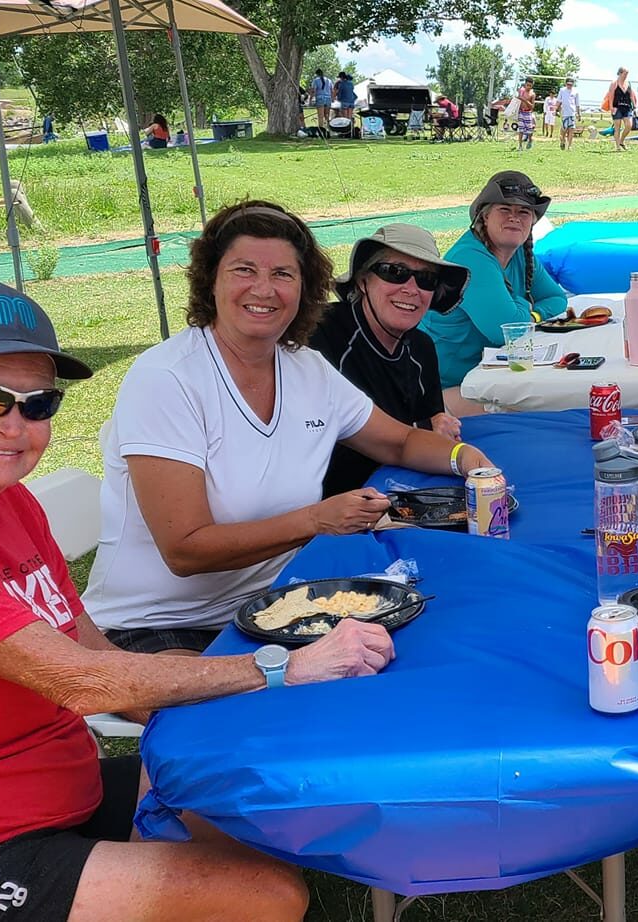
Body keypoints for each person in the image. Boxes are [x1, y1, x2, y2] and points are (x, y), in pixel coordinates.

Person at [0, 280, 392, 922]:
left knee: (257, 808)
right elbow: (85, 682)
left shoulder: (7, 499)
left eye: (37, 403)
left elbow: (94, 652)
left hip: (47, 790)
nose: (11, 425)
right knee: (266, 898)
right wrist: (280, 668)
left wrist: (232, 691)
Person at [82, 201, 497, 655]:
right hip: (163, 625)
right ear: (210, 281)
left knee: (443, 636)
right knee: (242, 719)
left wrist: (464, 459)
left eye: (283, 274)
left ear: (304, 288)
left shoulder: (306, 368)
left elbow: (397, 441)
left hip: (284, 601)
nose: (264, 288)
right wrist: (316, 520)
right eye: (244, 269)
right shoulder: (167, 378)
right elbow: (184, 550)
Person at [310, 224, 469, 497]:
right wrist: (425, 430)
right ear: (363, 281)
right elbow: (329, 440)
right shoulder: (321, 333)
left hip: (397, 492)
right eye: (394, 272)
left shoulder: (421, 348)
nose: (410, 288)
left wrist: (438, 423)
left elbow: (431, 423)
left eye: (426, 279)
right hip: (330, 505)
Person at [419, 171, 565, 413]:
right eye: (504, 210)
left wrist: (531, 316)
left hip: (487, 377)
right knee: (536, 410)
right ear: (484, 216)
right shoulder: (471, 258)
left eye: (524, 212)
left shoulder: (520, 254)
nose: (514, 218)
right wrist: (522, 305)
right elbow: (505, 330)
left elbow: (557, 299)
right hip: (443, 390)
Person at [604, 67, 638, 151]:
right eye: (625, 73)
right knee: (617, 127)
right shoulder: (614, 83)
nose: (626, 75)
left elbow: (631, 95)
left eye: (627, 74)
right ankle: (617, 146)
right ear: (620, 73)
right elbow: (611, 95)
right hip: (617, 107)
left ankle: (622, 141)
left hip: (627, 107)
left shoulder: (628, 84)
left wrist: (634, 106)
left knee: (629, 125)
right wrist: (611, 107)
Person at [558, 77, 580, 149]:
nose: (569, 86)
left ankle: (569, 146)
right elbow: (558, 101)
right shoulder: (562, 90)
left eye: (571, 84)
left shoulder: (575, 92)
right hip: (564, 113)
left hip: (572, 113)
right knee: (563, 130)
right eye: (568, 84)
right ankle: (563, 141)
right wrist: (556, 109)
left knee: (571, 130)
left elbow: (577, 104)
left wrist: (578, 114)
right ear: (565, 83)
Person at [516, 77, 537, 150]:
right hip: (521, 112)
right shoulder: (521, 91)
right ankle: (520, 145)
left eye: (530, 86)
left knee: (529, 130)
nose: (528, 87)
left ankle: (530, 140)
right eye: (527, 85)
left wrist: (525, 100)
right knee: (521, 129)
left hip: (528, 113)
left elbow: (532, 106)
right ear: (525, 84)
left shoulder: (532, 94)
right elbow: (517, 100)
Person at [310, 68, 332, 134]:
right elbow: (331, 90)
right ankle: (329, 130)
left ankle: (321, 131)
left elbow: (313, 90)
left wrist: (310, 99)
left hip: (320, 98)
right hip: (328, 98)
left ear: (317, 74)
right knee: (327, 115)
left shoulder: (316, 80)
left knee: (320, 116)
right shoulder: (329, 80)